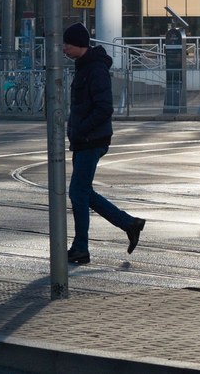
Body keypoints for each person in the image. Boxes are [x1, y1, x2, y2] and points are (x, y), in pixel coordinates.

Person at [63, 22, 144, 265]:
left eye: (67, 44)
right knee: (83, 192)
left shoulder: (95, 69)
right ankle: (129, 224)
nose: (64, 48)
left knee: (78, 192)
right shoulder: (84, 66)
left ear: (79, 44)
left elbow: (104, 108)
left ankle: (81, 248)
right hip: (84, 140)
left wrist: (81, 129)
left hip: (91, 140)